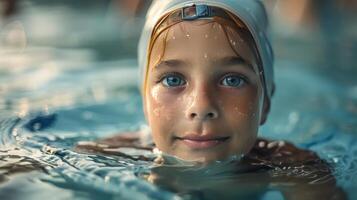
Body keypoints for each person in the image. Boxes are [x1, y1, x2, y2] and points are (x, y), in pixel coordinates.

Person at [76, 0, 346, 199]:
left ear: (266, 101)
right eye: (173, 80)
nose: (201, 106)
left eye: (232, 80)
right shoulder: (104, 157)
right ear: (145, 99)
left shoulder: (295, 168)